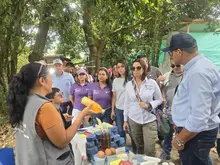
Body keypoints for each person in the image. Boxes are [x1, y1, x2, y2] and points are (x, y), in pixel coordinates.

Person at [7, 62, 97, 165]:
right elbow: (63, 141)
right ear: (42, 80)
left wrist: (59, 118)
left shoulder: (22, 101)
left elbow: (35, 126)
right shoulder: (44, 107)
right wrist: (82, 114)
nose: (52, 81)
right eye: (51, 77)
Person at [162, 33, 220, 165]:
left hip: (195, 135)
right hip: (195, 133)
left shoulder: (198, 72)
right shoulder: (198, 67)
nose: (171, 56)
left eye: (171, 53)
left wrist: (179, 139)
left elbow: (199, 117)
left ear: (179, 51)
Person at [123, 58, 162, 156]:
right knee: (139, 148)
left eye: (138, 68)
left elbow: (159, 99)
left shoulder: (152, 83)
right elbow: (126, 103)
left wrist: (149, 105)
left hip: (149, 119)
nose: (135, 70)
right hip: (134, 119)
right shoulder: (128, 85)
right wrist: (125, 120)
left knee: (149, 150)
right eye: (133, 68)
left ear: (144, 69)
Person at [159, 59, 183, 160]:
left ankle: (182, 155)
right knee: (167, 132)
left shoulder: (187, 76)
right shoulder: (167, 75)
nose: (175, 68)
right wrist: (163, 96)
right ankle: (166, 152)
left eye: (177, 66)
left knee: (181, 134)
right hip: (168, 110)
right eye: (172, 66)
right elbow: (162, 88)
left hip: (181, 112)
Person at [52, 59, 75, 127]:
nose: (58, 67)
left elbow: (74, 89)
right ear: (53, 67)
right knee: (59, 123)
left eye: (59, 65)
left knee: (69, 122)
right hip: (56, 105)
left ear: (62, 66)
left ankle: (69, 136)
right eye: (56, 66)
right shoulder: (50, 77)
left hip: (68, 103)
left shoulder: (69, 76)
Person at [111, 60, 130, 141]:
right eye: (118, 67)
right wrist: (112, 110)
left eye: (122, 66)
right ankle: (122, 148)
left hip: (130, 109)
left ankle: (136, 149)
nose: (120, 69)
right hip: (119, 109)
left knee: (132, 130)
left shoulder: (131, 80)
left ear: (126, 67)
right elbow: (114, 96)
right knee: (120, 130)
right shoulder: (115, 81)